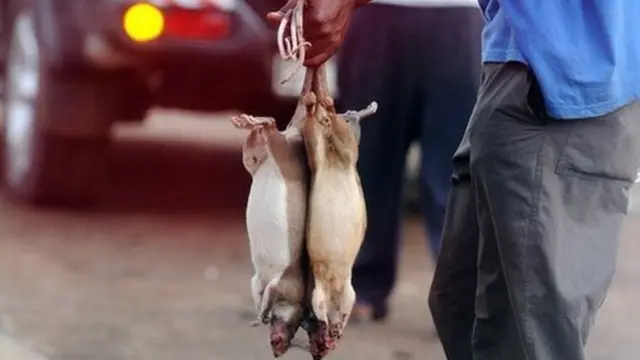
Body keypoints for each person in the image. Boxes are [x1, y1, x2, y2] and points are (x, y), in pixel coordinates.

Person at [273, 0, 640, 358]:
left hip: (564, 86)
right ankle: (369, 283)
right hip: (514, 61)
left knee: (530, 330)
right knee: (460, 304)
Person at [333, 0, 483, 321]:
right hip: (375, 12)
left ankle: (460, 299)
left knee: (454, 175)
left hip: (459, 14)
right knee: (369, 162)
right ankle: (363, 285)